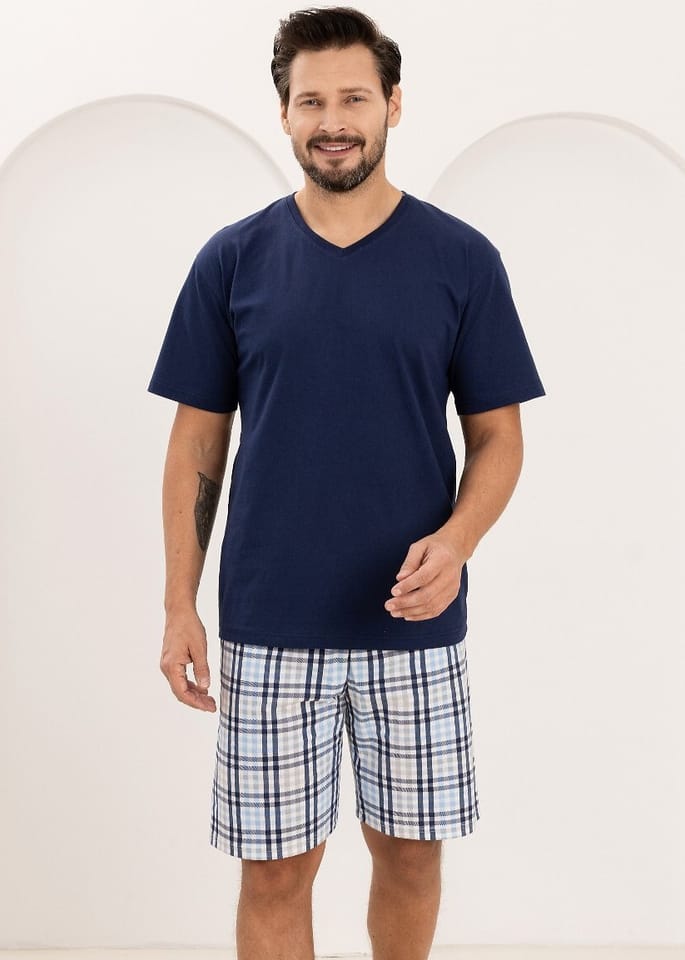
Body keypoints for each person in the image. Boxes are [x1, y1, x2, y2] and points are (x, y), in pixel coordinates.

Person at [148, 7, 546, 959]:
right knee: (275, 873)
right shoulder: (231, 259)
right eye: (311, 101)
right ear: (283, 114)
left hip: (413, 624)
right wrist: (177, 605)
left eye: (354, 99)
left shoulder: (461, 259)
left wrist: (457, 543)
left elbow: (498, 438)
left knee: (410, 859)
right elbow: (196, 443)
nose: (333, 121)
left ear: (393, 105)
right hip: (268, 625)